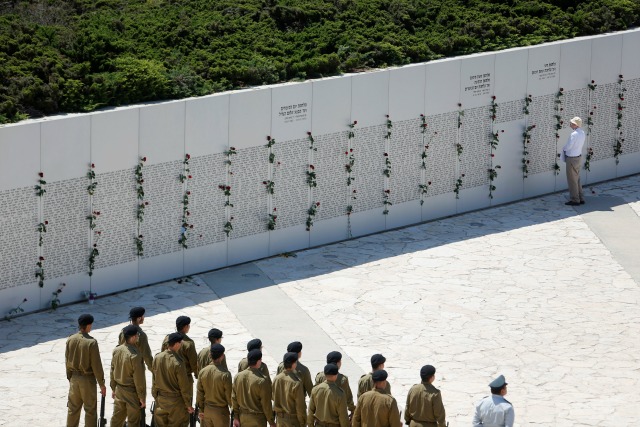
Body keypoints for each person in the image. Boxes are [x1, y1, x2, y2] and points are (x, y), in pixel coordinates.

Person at [65, 313, 106, 427]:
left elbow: (67, 360)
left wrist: (70, 378)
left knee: (73, 409)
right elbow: (96, 365)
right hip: (87, 380)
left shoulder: (70, 339)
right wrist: (101, 384)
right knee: (90, 410)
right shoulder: (91, 342)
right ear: (88, 326)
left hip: (74, 379)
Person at [152, 332, 194, 427]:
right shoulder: (178, 362)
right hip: (175, 402)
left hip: (161, 400)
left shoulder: (157, 357)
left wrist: (155, 396)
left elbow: (154, 380)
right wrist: (188, 405)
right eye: (180, 342)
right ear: (176, 344)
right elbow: (184, 386)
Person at [110, 324, 146, 427]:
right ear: (133, 337)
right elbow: (139, 379)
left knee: (117, 420)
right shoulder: (135, 355)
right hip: (131, 392)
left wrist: (113, 388)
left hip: (119, 390)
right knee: (133, 421)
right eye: (137, 335)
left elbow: (112, 370)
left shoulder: (117, 350)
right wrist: (142, 397)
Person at [232, 349, 275, 427]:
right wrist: (271, 422)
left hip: (243, 417)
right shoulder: (262, 380)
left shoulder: (238, 377)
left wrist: (236, 417)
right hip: (258, 419)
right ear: (258, 361)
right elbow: (266, 404)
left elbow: (234, 398)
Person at [196, 343, 232, 427]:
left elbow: (200, 393)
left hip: (207, 410)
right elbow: (229, 395)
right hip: (221, 412)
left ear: (210, 355)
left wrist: (200, 409)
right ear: (222, 356)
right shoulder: (225, 374)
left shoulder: (203, 372)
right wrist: (235, 411)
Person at [273, 352, 307, 427]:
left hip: (280, 420)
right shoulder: (296, 383)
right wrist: (303, 422)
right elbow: (300, 406)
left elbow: (273, 397)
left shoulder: (276, 379)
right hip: (292, 421)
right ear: (294, 364)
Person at [162, 316, 198, 384]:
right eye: (188, 325)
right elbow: (194, 362)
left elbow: (163, 353)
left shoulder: (167, 338)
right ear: (185, 327)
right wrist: (197, 375)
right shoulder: (188, 343)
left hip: (169, 375)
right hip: (185, 377)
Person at [118, 306, 153, 370]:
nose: (144, 317)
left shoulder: (123, 331)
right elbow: (146, 354)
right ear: (139, 318)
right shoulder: (141, 335)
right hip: (136, 366)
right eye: (143, 316)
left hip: (123, 365)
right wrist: (152, 369)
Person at [561, 116, 586, 206]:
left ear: (575, 125)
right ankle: (580, 197)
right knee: (577, 178)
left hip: (571, 158)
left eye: (571, 123)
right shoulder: (582, 133)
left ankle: (575, 199)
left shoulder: (574, 134)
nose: (570, 124)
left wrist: (563, 149)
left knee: (572, 180)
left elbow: (569, 146)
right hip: (578, 157)